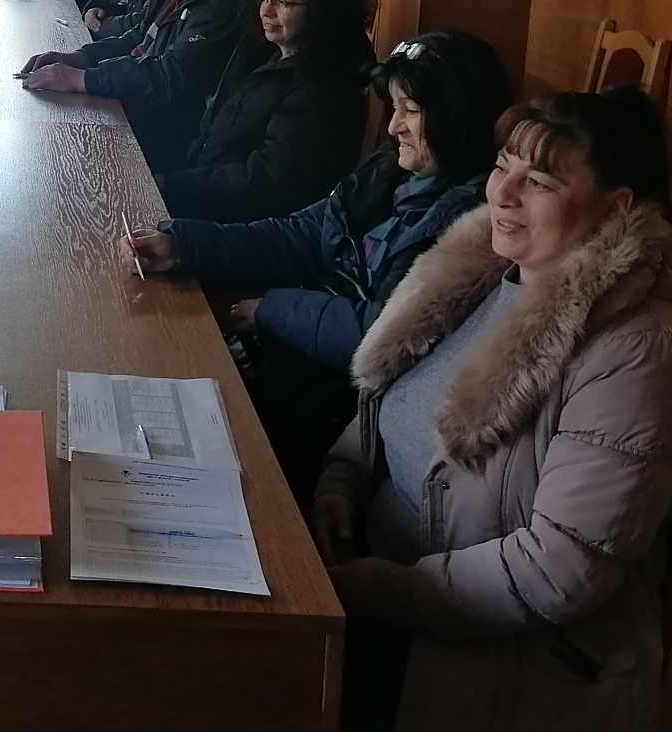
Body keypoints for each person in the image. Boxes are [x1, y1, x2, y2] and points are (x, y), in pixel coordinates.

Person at [313, 89, 672, 732]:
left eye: (540, 182)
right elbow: (393, 399)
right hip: (384, 592)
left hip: (500, 667)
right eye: (503, 166)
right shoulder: (486, 274)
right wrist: (341, 479)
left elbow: (561, 570)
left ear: (617, 209)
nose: (503, 193)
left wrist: (381, 590)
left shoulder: (640, 354)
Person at [126, 30, 512, 500]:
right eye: (393, 108)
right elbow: (300, 234)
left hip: (332, 405)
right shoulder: (389, 172)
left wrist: (269, 309)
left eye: (410, 111)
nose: (394, 127)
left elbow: (386, 336)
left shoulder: (472, 226)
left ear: (457, 117)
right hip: (291, 355)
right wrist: (184, 245)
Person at [23, 0, 249, 171]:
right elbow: (139, 38)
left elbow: (168, 77)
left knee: (63, 156)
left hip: (178, 148)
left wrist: (82, 79)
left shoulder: (225, 3)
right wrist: (79, 58)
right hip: (152, 116)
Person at [158, 0, 374, 222]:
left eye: (283, 3)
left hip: (235, 222)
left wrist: (172, 185)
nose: (266, 11)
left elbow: (265, 181)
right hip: (204, 186)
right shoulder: (271, 51)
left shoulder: (323, 89)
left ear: (320, 11)